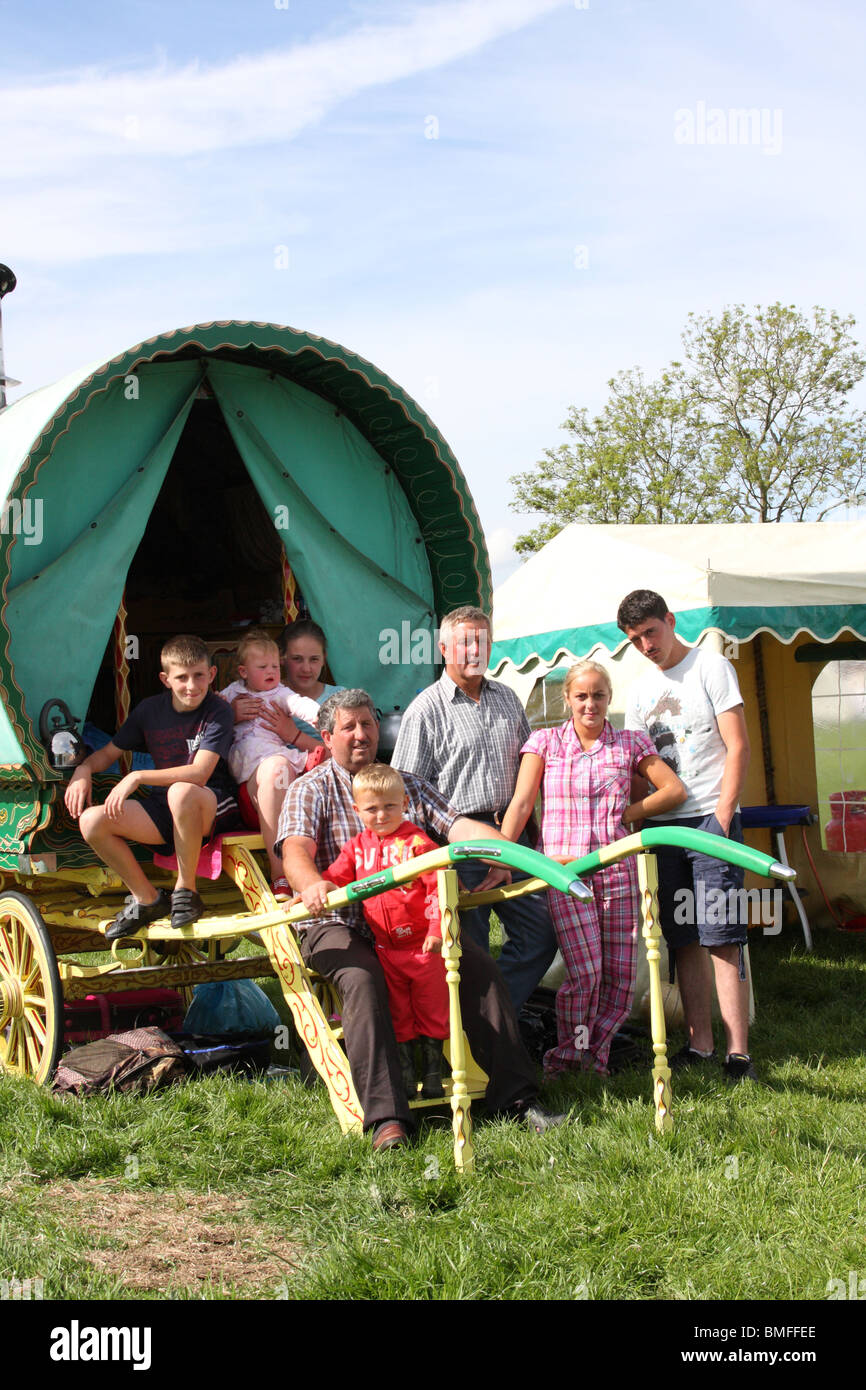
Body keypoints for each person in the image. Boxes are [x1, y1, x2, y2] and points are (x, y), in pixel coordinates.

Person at [276, 690, 562, 1151]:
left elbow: (458, 827)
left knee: (479, 968)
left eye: (368, 724)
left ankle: (517, 1099)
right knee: (363, 979)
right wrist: (312, 885)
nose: (361, 735)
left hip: (411, 929)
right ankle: (388, 1119)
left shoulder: (404, 784)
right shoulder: (309, 789)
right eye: (349, 727)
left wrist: (501, 850)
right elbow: (295, 851)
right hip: (338, 923)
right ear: (326, 737)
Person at [501, 660, 686, 1076]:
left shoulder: (631, 742)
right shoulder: (544, 742)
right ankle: (566, 1059)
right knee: (586, 974)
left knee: (620, 981)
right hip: (566, 874)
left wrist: (627, 816)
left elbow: (673, 790)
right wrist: (503, 855)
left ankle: (594, 1058)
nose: (590, 704)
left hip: (618, 872)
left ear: (608, 698)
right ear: (567, 699)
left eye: (598, 695)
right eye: (581, 696)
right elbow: (522, 803)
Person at [616, 589, 754, 1083]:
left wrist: (722, 815)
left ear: (670, 621)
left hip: (711, 822)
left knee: (723, 936)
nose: (646, 645)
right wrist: (631, 822)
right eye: (635, 640)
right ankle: (699, 1045)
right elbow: (635, 768)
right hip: (661, 828)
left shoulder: (711, 667)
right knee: (684, 940)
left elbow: (737, 746)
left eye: (651, 632)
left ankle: (738, 1054)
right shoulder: (636, 692)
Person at [391, 606, 557, 1014]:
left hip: (510, 832)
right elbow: (405, 797)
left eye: (482, 641)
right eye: (465, 641)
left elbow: (528, 772)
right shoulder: (425, 710)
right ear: (443, 647)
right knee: (471, 952)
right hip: (454, 844)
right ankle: (478, 1043)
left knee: (542, 935)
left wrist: (511, 843)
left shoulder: (507, 698)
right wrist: (432, 865)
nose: (474, 650)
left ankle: (496, 1020)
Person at [64, 634, 240, 938]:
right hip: (166, 806)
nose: (192, 685)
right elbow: (108, 754)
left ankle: (186, 891)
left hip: (213, 803)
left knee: (181, 790)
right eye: (181, 677)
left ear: (211, 674)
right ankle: (148, 899)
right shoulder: (149, 711)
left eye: (199, 675)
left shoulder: (218, 711)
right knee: (93, 821)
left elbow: (199, 773)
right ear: (165, 679)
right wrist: (83, 769)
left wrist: (137, 777)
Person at [322, 763, 448, 1100]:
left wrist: (436, 928)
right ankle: (407, 1077)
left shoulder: (417, 844)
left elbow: (439, 887)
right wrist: (316, 889)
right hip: (386, 949)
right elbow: (336, 876)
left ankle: (434, 1073)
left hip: (424, 946)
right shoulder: (357, 847)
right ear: (357, 810)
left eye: (390, 806)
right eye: (372, 809)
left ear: (405, 802)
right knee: (400, 1012)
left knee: (432, 1008)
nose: (381, 815)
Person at [220, 630, 321, 897]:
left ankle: (297, 872)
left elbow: (299, 705)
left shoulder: (280, 693)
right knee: (278, 768)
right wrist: (228, 715)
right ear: (243, 671)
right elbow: (209, 715)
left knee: (281, 767)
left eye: (275, 666)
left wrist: (322, 717)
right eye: (262, 667)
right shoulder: (232, 694)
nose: (271, 671)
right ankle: (281, 873)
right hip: (249, 765)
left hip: (275, 758)